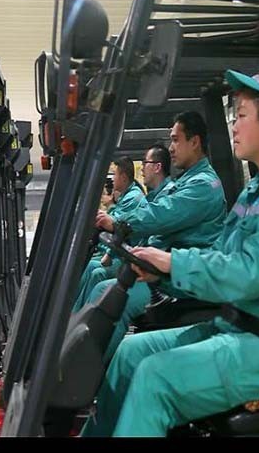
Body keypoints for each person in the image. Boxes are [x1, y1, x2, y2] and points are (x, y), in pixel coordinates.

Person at [80, 68, 259, 437]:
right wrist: (162, 273)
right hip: (240, 326)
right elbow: (222, 256)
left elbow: (249, 273)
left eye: (241, 116)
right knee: (129, 356)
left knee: (155, 377)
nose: (234, 126)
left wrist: (174, 263)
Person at [80, 112, 227, 360]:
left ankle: (85, 371)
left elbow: (162, 214)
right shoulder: (185, 181)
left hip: (182, 278)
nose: (171, 148)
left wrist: (119, 223)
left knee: (108, 295)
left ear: (195, 142)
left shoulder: (203, 185)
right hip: (166, 270)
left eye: (176, 140)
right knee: (104, 290)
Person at [73, 144, 174, 312]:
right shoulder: (152, 197)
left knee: (99, 280)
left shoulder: (161, 197)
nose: (142, 169)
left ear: (157, 167)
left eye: (145, 163)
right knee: (91, 269)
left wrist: (114, 223)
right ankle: (73, 315)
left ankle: (77, 319)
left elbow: (140, 224)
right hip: (146, 261)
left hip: (157, 268)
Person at [74, 156, 147, 310]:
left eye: (115, 174)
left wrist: (108, 254)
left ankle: (83, 313)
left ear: (124, 177)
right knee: (89, 265)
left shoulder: (133, 198)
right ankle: (73, 311)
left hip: (126, 255)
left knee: (97, 272)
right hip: (120, 252)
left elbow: (120, 227)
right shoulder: (126, 196)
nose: (112, 179)